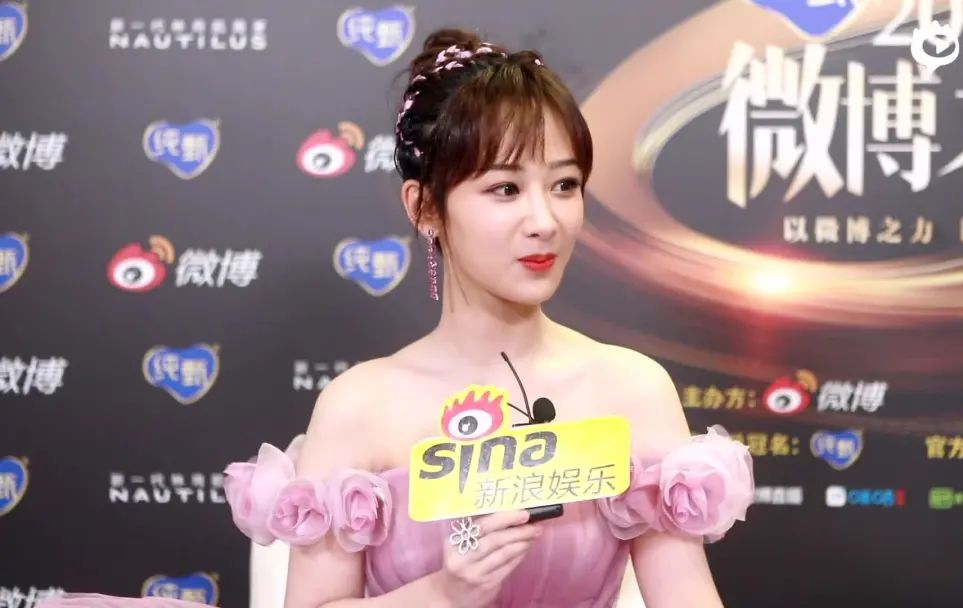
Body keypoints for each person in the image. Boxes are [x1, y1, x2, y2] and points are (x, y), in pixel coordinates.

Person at [41, 28, 754, 608]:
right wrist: (444, 593)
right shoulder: (360, 405)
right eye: (505, 189)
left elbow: (686, 598)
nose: (546, 220)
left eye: (564, 185)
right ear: (425, 208)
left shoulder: (631, 388)